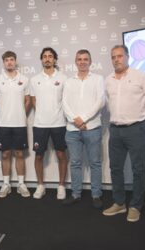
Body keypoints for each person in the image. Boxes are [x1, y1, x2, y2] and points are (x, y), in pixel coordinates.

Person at [102, 45, 145, 222]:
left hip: (136, 129)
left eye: (120, 56)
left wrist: (142, 117)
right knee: (115, 168)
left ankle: (135, 206)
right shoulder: (108, 79)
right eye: (113, 57)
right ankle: (119, 203)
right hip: (115, 129)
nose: (116, 59)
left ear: (127, 57)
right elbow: (108, 102)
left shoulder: (141, 76)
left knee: (138, 169)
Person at [62, 49, 105, 208]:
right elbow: (64, 103)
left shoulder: (98, 79)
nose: (82, 62)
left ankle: (96, 195)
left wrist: (83, 119)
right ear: (75, 62)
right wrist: (76, 120)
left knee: (95, 163)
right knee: (75, 163)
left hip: (92, 128)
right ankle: (75, 194)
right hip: (72, 130)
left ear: (90, 61)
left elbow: (100, 102)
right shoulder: (69, 81)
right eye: (79, 59)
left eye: (85, 59)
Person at [0, 51, 31, 198]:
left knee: (20, 153)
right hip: (3, 124)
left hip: (20, 123)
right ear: (3, 62)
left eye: (12, 60)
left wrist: (21, 113)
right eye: (6, 60)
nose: (9, 62)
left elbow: (28, 101)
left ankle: (21, 184)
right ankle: (6, 184)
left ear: (15, 61)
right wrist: (2, 113)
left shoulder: (24, 79)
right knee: (6, 153)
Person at [30, 47, 68, 200]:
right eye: (44, 56)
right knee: (39, 156)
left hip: (59, 123)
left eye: (50, 56)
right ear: (41, 60)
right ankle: (40, 186)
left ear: (54, 59)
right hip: (40, 124)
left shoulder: (64, 78)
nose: (47, 59)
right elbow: (33, 101)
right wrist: (42, 114)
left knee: (61, 154)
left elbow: (66, 101)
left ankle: (61, 186)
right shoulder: (34, 79)